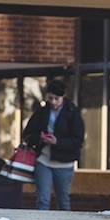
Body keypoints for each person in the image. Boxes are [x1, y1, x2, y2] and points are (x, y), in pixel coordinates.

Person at [21, 80, 85, 211]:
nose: (53, 102)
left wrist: (57, 142)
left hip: (64, 164)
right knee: (43, 199)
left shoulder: (73, 112)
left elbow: (78, 140)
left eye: (57, 98)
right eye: (50, 98)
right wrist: (40, 137)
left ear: (64, 96)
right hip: (43, 161)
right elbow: (27, 134)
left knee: (63, 201)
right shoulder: (42, 112)